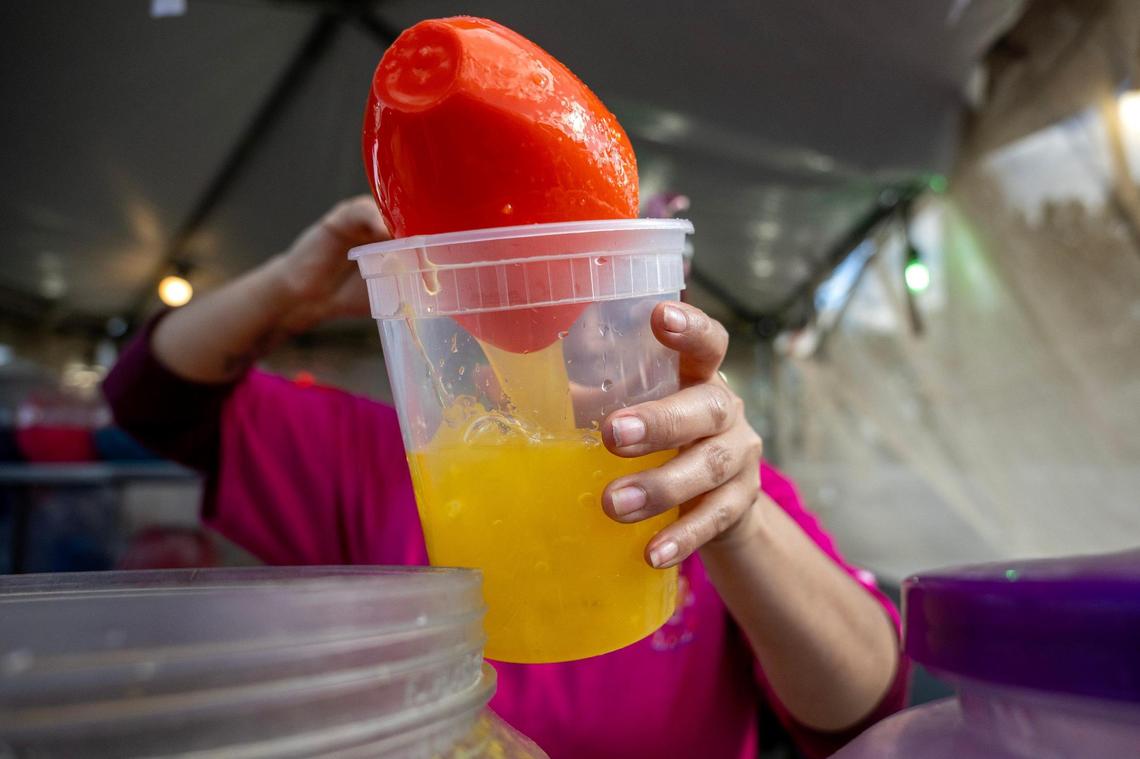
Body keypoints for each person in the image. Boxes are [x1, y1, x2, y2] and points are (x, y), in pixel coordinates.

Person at [104, 197, 907, 759]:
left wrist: (742, 520)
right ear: (472, 315)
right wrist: (292, 290)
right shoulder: (384, 459)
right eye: (546, 306)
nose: (590, 335)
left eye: (620, 302)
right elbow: (152, 399)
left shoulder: (714, 481)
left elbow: (863, 707)